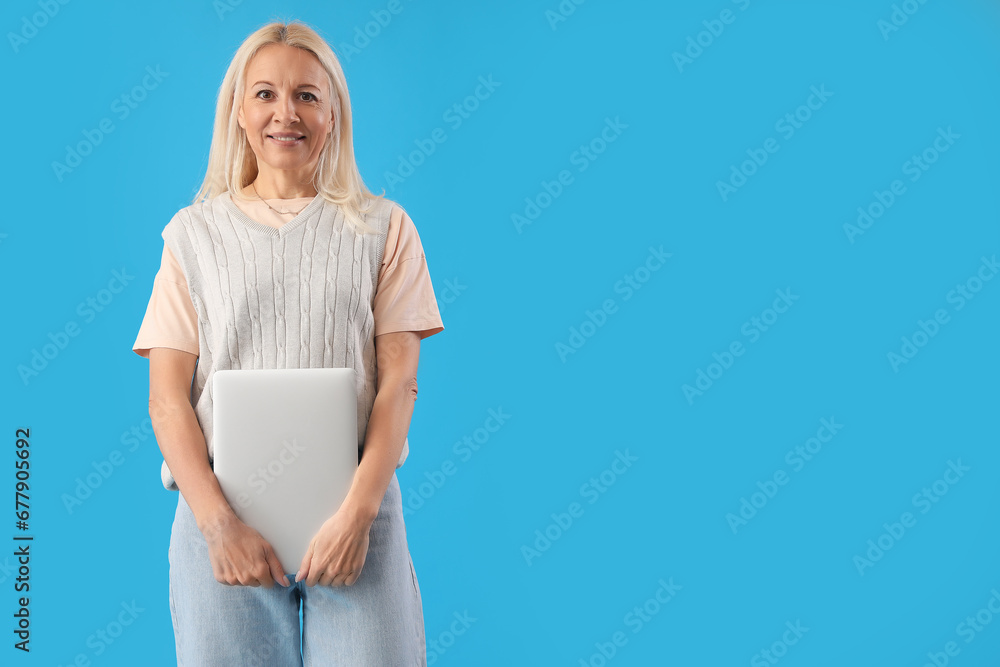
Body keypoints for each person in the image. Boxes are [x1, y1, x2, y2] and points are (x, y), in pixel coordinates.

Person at [131, 20, 443, 666]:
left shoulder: (386, 229)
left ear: (334, 114)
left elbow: (398, 385)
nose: (286, 113)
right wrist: (218, 525)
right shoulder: (192, 236)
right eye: (265, 94)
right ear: (239, 112)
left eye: (307, 94)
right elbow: (167, 399)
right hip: (220, 514)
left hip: (357, 514)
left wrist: (358, 515)